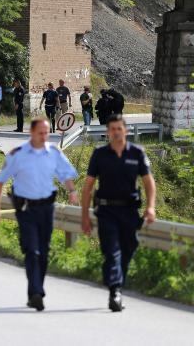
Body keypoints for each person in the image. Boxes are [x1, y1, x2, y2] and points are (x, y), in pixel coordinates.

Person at [0, 117, 78, 311]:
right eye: (40, 132)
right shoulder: (18, 154)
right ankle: (36, 291)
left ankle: (36, 291)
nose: (44, 136)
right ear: (32, 133)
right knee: (32, 250)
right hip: (26, 209)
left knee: (44, 252)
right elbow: (0, 181)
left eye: (46, 132)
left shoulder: (53, 152)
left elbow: (65, 174)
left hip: (46, 208)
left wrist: (72, 191)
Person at [81, 114, 156, 312]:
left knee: (129, 247)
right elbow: (88, 187)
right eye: (112, 129)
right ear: (107, 132)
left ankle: (113, 279)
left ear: (126, 130)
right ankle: (115, 291)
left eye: (119, 129)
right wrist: (85, 216)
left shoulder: (137, 153)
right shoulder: (99, 154)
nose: (115, 132)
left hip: (130, 211)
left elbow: (149, 183)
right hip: (106, 210)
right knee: (112, 249)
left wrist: (150, 207)